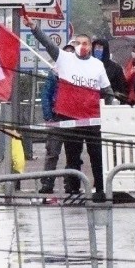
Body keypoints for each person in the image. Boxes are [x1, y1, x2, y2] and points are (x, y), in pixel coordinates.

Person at [23, 16, 115, 201]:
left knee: (96, 154)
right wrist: (34, 28)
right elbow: (48, 44)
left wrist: (107, 110)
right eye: (79, 43)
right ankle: (73, 189)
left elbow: (108, 91)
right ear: (74, 45)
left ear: (90, 46)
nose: (83, 46)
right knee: (73, 156)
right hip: (69, 117)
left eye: (86, 43)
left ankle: (99, 189)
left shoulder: (98, 65)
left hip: (92, 118)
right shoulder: (64, 58)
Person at [39, 44, 76, 194]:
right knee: (52, 152)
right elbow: (46, 95)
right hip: (56, 116)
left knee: (73, 153)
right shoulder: (54, 73)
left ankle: (72, 184)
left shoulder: (80, 73)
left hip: (74, 117)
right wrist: (48, 116)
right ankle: (47, 183)